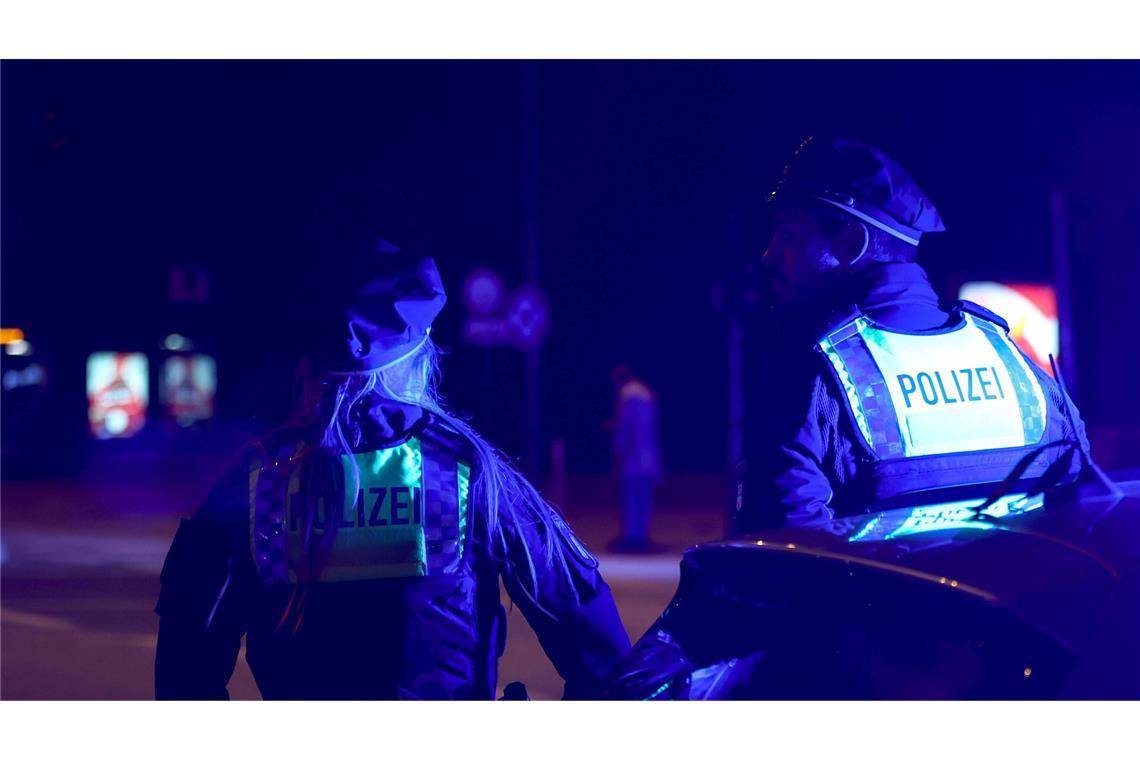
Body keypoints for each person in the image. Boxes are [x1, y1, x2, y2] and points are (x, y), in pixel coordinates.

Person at [155, 242, 630, 699]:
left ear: (308, 365)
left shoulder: (258, 478)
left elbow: (184, 669)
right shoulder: (470, 471)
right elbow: (602, 654)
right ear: (421, 362)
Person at [735, 135, 1091, 534]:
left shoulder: (811, 374)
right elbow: (1079, 514)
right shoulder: (1016, 364)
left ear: (852, 243)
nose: (768, 255)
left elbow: (782, 560)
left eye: (789, 234)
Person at [607, 366, 664, 551]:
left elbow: (628, 427)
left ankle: (634, 538)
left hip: (633, 458)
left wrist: (618, 445)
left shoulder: (629, 396)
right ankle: (641, 535)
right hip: (648, 455)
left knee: (632, 497)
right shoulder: (646, 395)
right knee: (644, 497)